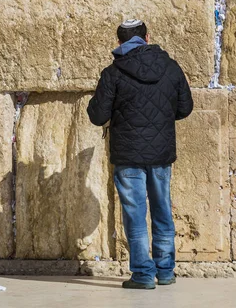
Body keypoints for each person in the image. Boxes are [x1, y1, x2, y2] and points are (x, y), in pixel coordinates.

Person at [87, 19, 193, 290]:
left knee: (135, 214)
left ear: (120, 42)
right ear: (148, 36)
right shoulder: (170, 67)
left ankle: (144, 275)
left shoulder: (112, 73)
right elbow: (185, 108)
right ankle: (166, 270)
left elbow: (97, 116)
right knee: (162, 209)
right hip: (161, 153)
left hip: (128, 155)